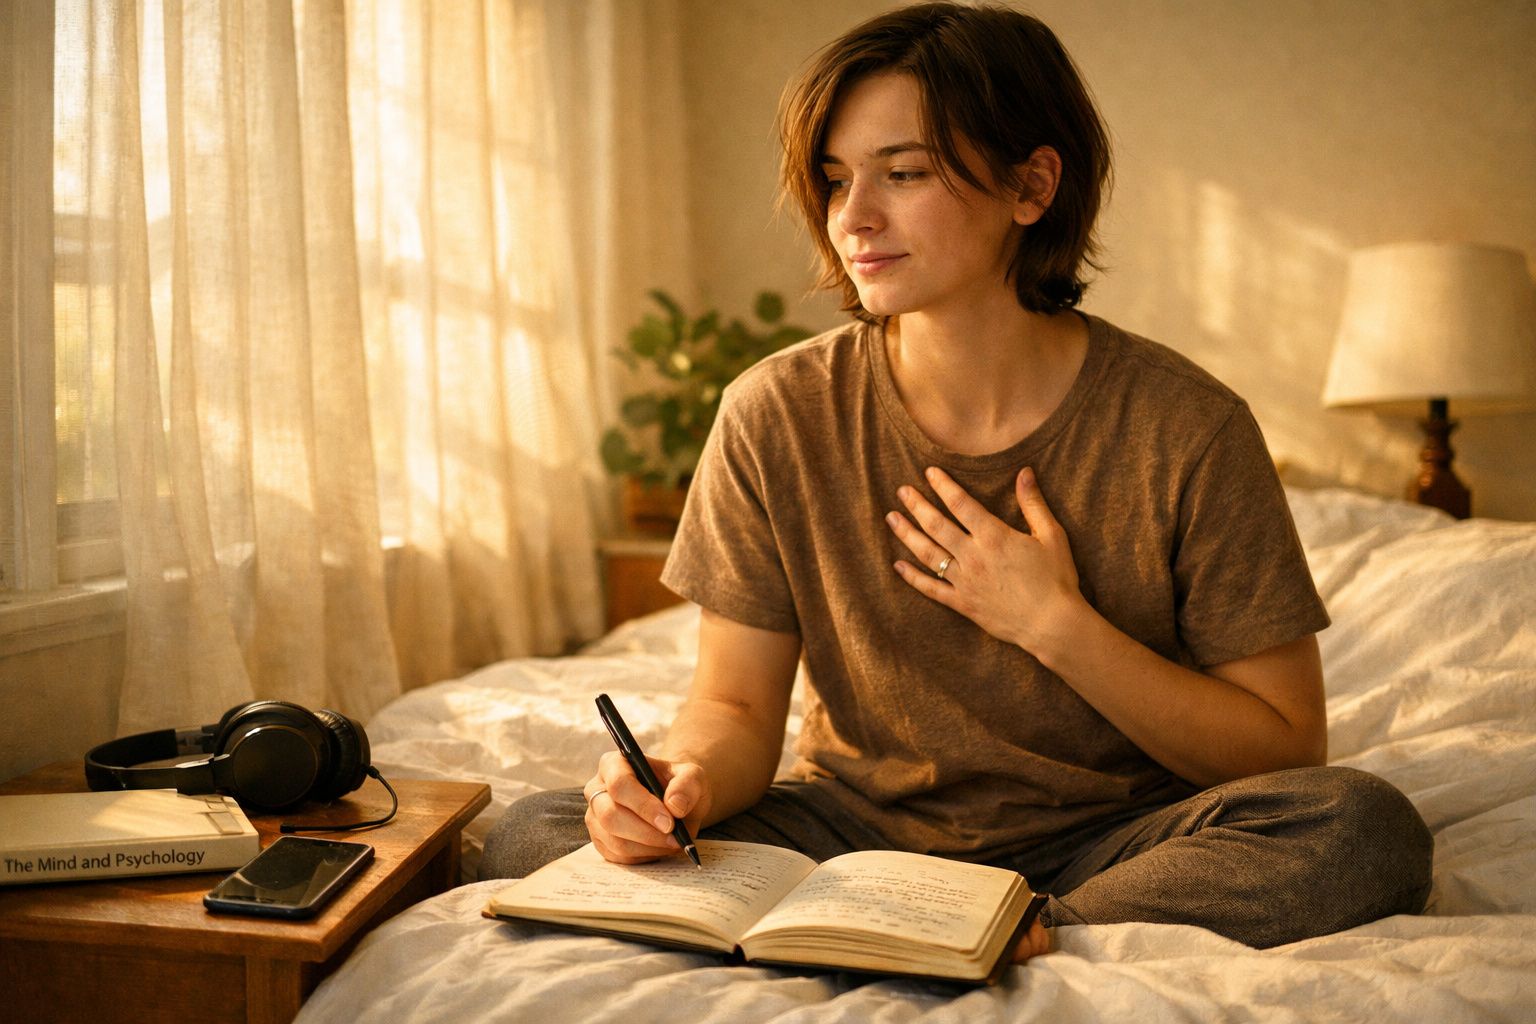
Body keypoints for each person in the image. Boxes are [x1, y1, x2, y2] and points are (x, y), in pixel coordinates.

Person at [481, 2, 1432, 961]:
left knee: (1360, 827)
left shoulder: (1186, 426)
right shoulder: (774, 414)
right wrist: (672, 787)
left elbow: (1283, 749)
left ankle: (1028, 930)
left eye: (904, 173)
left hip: (1115, 847)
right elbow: (732, 710)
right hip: (853, 836)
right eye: (836, 178)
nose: (853, 217)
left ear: (1032, 185)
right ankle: (920, 926)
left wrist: (1053, 623)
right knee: (538, 833)